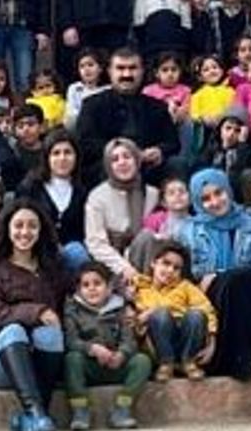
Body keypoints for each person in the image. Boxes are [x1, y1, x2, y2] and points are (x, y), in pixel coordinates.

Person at [0, 199, 69, 431]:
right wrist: (37, 312)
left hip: (40, 362)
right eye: (18, 225)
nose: (25, 232)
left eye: (32, 226)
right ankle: (35, 413)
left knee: (50, 333)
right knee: (14, 330)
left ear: (41, 230)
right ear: (7, 229)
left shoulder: (53, 270)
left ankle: (36, 415)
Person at [179, 169, 251, 379]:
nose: (215, 201)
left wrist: (223, 273)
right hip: (209, 295)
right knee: (236, 280)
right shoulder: (188, 231)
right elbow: (191, 275)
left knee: (250, 276)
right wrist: (221, 276)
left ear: (228, 191)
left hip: (247, 288)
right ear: (197, 202)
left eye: (218, 193)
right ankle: (249, 359)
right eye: (206, 199)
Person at [63, 260, 150, 430]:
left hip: (115, 364)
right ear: (79, 290)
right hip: (89, 366)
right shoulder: (73, 310)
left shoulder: (120, 309)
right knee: (72, 359)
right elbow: (71, 340)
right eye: (86, 285)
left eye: (97, 283)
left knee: (142, 361)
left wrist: (122, 354)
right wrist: (92, 349)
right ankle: (80, 410)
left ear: (109, 288)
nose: (92, 289)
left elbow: (129, 340)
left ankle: (122, 408)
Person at [76, 48, 180, 184]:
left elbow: (173, 143)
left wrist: (159, 151)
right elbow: (85, 144)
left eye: (133, 68)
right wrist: (124, 154)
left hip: (149, 169)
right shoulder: (92, 105)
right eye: (120, 68)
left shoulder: (158, 107)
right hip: (106, 169)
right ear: (110, 71)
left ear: (142, 71)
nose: (127, 74)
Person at [131, 240, 217, 382]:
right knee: (160, 314)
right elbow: (132, 319)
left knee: (196, 314)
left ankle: (188, 362)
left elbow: (207, 310)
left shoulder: (186, 287)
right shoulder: (140, 289)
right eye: (166, 263)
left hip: (186, 338)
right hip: (157, 344)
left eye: (176, 268)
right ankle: (166, 364)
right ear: (153, 263)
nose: (170, 270)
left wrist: (212, 341)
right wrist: (142, 317)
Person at [85, 139, 160, 283]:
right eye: (115, 159)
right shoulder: (97, 196)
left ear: (136, 160)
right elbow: (96, 244)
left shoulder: (152, 194)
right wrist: (124, 267)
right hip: (112, 265)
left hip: (149, 262)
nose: (122, 163)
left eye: (127, 157)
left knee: (147, 237)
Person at [16, 130, 89, 271]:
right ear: (47, 158)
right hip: (36, 250)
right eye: (56, 153)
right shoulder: (30, 187)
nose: (62, 158)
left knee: (76, 251)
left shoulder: (83, 190)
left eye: (68, 152)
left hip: (72, 256)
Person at [63, 48, 107, 131]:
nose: (86, 69)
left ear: (100, 68)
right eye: (82, 66)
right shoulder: (74, 88)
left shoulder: (108, 89)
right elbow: (71, 113)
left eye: (90, 65)